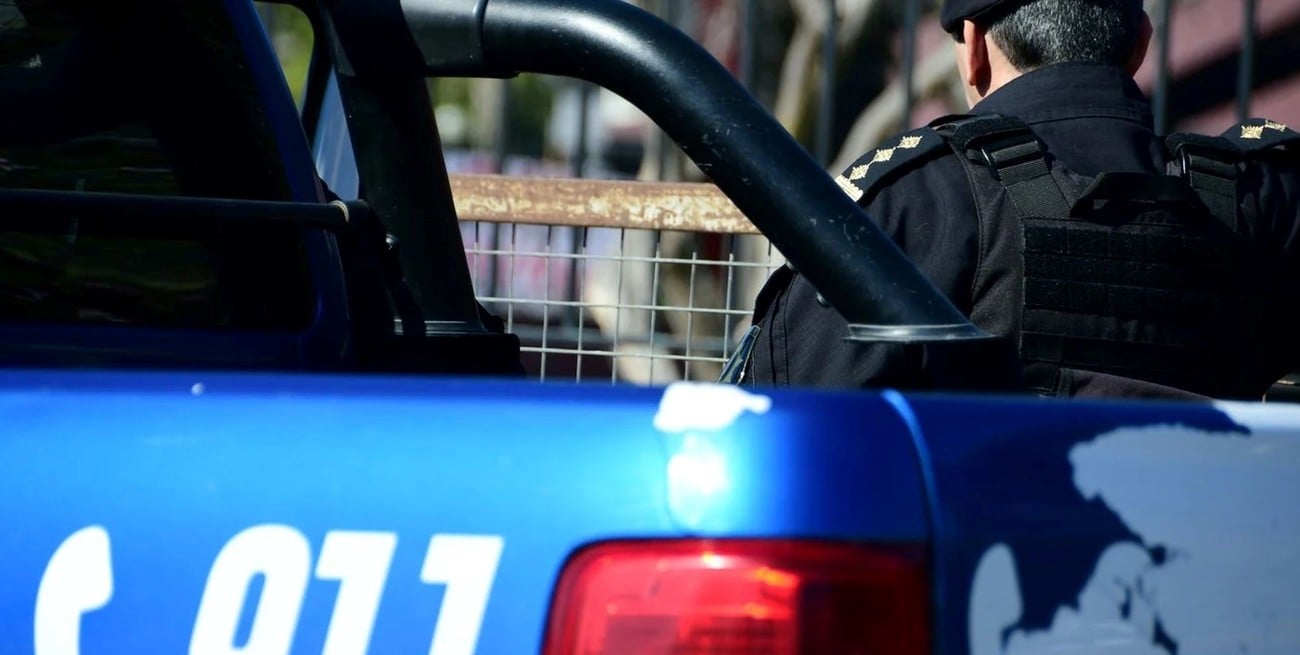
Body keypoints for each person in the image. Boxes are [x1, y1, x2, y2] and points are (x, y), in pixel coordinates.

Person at [743, 0, 1300, 399]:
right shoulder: (1265, 192)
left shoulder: (918, 197)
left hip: (982, 558)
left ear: (974, 52)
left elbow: (785, 421)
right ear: (1141, 44)